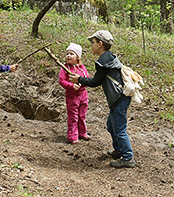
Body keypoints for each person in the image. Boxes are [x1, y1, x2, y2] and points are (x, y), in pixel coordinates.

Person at [69, 30, 136, 169]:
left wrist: (79, 79)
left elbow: (95, 82)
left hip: (119, 99)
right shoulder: (109, 57)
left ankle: (128, 157)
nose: (91, 46)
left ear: (100, 44)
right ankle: (118, 150)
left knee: (119, 129)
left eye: (92, 43)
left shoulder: (102, 62)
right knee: (111, 125)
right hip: (119, 98)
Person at [58, 43, 90, 144]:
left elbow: (87, 78)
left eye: (71, 53)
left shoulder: (82, 68)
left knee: (82, 115)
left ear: (78, 57)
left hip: (83, 95)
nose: (68, 56)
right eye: (67, 53)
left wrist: (81, 83)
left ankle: (82, 133)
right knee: (73, 116)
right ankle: (72, 136)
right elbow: (61, 81)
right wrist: (72, 86)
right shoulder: (65, 68)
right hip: (72, 96)